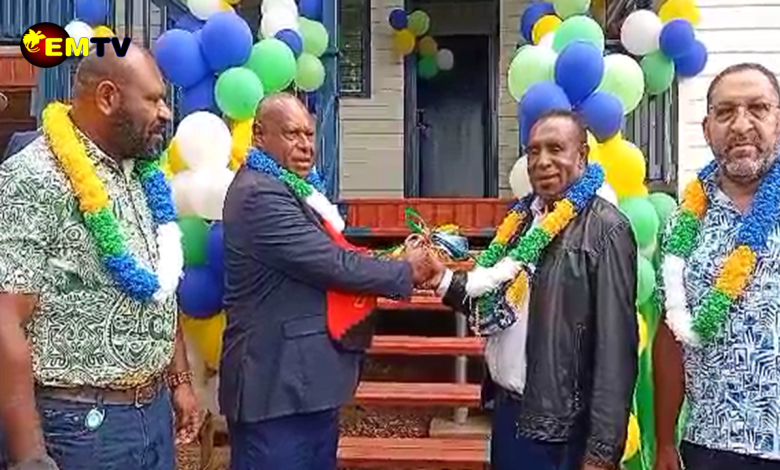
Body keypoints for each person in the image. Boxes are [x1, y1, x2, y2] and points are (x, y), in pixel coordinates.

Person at [0, 44, 199, 470]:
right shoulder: (34, 176)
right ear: (108, 97)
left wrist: (179, 380)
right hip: (78, 428)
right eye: (153, 99)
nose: (166, 113)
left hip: (154, 414)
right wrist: (29, 456)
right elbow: (4, 318)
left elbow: (161, 286)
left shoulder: (145, 174)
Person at [219, 93, 435, 470]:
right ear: (259, 135)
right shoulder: (259, 193)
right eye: (292, 134)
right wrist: (405, 270)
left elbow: (332, 255)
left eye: (309, 134)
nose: (305, 145)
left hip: (307, 385)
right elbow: (330, 263)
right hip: (275, 390)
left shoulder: (295, 189)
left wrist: (393, 258)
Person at [424, 109, 639, 470]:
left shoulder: (607, 229)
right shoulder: (521, 220)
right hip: (507, 411)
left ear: (582, 155)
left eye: (556, 149)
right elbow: (493, 304)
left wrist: (602, 452)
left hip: (562, 429)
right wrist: (442, 279)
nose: (542, 161)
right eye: (533, 151)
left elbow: (616, 349)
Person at [654, 63, 780, 470]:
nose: (741, 125)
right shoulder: (681, 223)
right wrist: (664, 441)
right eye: (725, 112)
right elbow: (670, 337)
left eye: (758, 108)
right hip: (710, 444)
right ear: (708, 129)